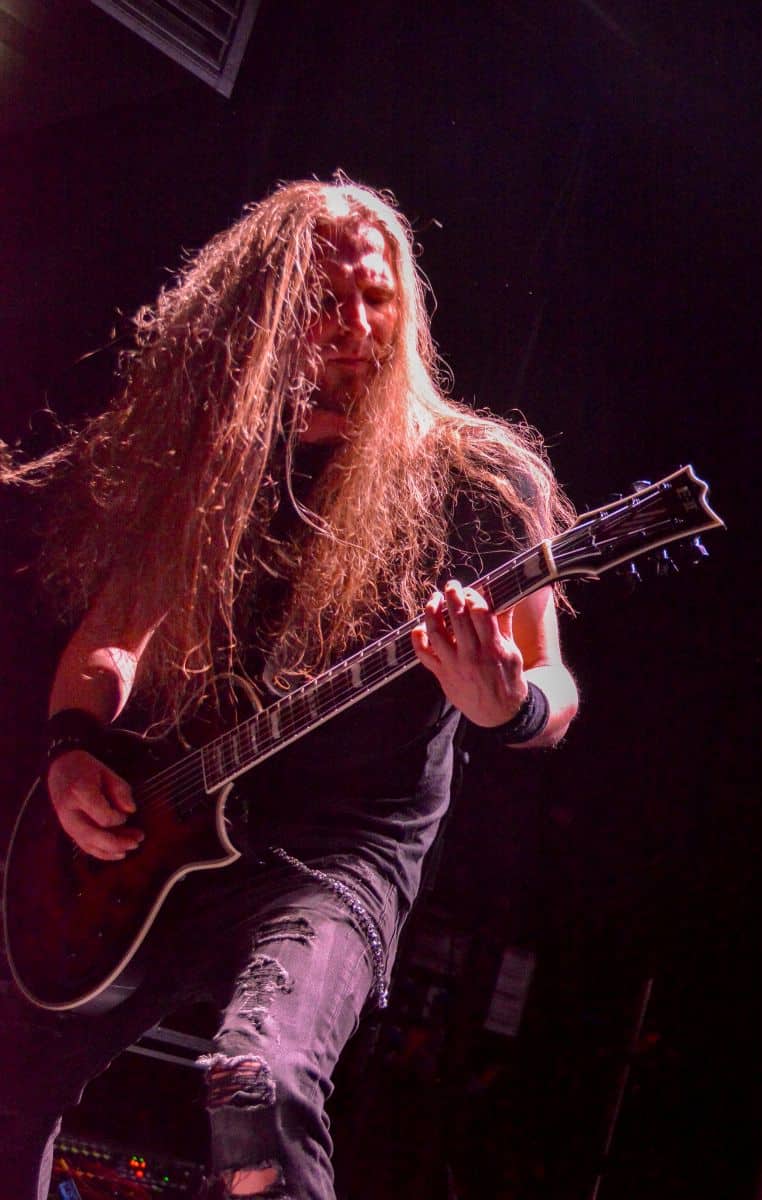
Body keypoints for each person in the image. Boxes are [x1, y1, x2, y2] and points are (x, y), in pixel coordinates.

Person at [0, 177, 579, 1199]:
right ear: (261, 315)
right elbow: (111, 640)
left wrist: (507, 706)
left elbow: (550, 682)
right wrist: (73, 749)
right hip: (173, 831)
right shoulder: (215, 466)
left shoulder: (480, 480)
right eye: (322, 300)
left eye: (375, 297)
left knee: (255, 1080)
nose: (354, 325)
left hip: (340, 852)